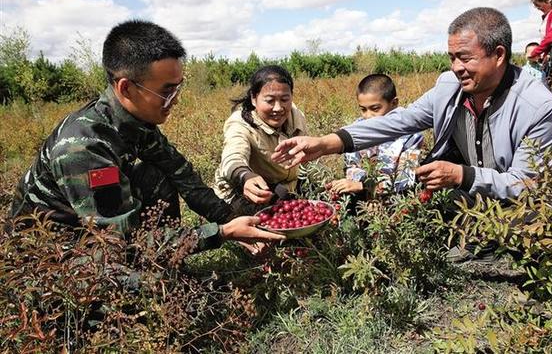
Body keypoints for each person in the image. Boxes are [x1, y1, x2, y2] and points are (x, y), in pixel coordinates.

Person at [10, 20, 284, 254]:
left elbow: (182, 176)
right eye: (167, 91)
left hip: (96, 228)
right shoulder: (84, 148)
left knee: (157, 176)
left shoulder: (135, 121)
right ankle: (152, 282)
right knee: (118, 270)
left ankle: (166, 266)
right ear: (126, 88)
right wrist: (221, 233)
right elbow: (120, 242)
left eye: (178, 89)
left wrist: (234, 219)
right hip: (54, 250)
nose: (175, 100)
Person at [272, 7, 552, 202]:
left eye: (465, 58)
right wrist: (327, 143)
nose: (456, 67)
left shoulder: (538, 107)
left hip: (518, 209)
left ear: (498, 55)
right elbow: (398, 121)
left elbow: (527, 185)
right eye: (451, 58)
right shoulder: (449, 86)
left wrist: (461, 174)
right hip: (464, 199)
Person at [214, 65, 308, 214]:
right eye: (269, 101)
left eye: (284, 99)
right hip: (246, 190)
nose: (278, 108)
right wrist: (246, 176)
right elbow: (233, 157)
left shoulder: (296, 116)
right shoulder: (240, 123)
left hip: (283, 186)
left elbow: (307, 158)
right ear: (253, 98)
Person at [326, 74, 423, 197]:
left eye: (375, 109)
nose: (368, 116)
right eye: (363, 109)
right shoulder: (356, 130)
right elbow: (351, 167)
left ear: (394, 103)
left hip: (394, 204)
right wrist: (352, 184)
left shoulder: (410, 135)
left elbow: (405, 179)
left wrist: (364, 186)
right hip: (361, 202)